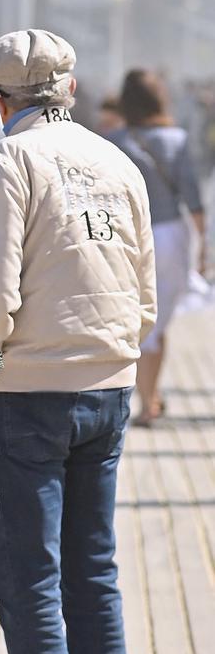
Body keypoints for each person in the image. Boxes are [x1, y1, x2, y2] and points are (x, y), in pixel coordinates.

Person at [0, 30, 156, 654]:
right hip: (106, 387)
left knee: (30, 576)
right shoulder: (117, 160)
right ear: (70, 89)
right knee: (93, 568)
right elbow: (145, 297)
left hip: (24, 394)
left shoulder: (7, 160)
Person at [108, 69, 206, 427]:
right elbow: (193, 198)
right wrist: (203, 246)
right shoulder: (177, 140)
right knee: (156, 320)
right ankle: (150, 400)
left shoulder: (113, 139)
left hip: (122, 234)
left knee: (128, 319)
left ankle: (138, 397)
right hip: (168, 235)